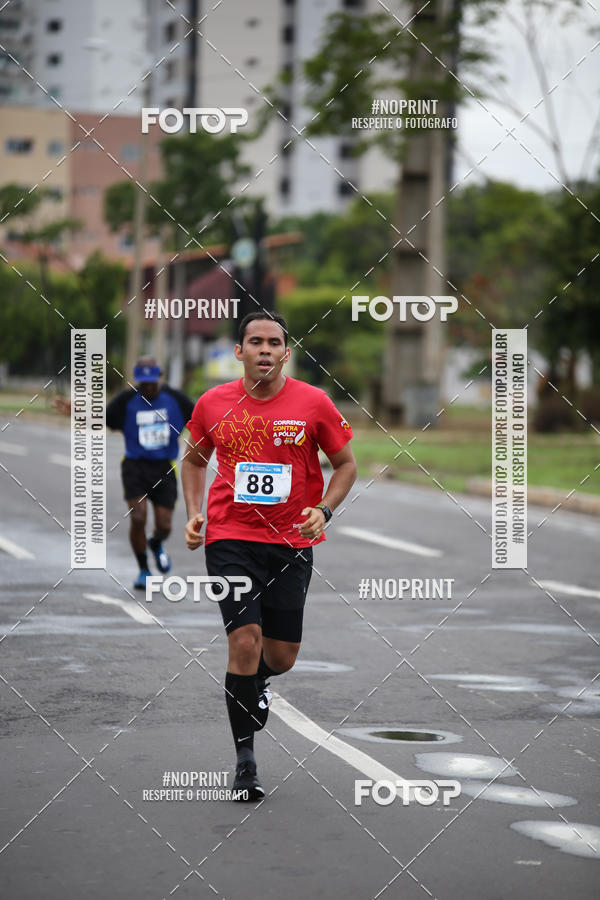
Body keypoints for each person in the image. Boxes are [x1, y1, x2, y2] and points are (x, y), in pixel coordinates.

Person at [182, 312, 357, 801]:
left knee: (279, 655)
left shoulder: (312, 403)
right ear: (238, 352)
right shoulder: (213, 404)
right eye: (254, 342)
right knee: (244, 640)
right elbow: (194, 460)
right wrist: (195, 514)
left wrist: (324, 509)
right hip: (229, 538)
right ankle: (245, 763)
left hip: (290, 542)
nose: (264, 349)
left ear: (285, 352)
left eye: (273, 342)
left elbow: (345, 465)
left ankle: (257, 680)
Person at [105, 356, 194, 589]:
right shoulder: (126, 400)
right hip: (134, 466)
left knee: (164, 525)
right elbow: (104, 417)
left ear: (159, 376)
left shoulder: (175, 400)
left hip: (164, 468)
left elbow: (201, 418)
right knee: (138, 517)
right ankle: (144, 569)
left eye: (152, 381)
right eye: (143, 382)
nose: (148, 386)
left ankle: (156, 543)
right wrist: (77, 411)